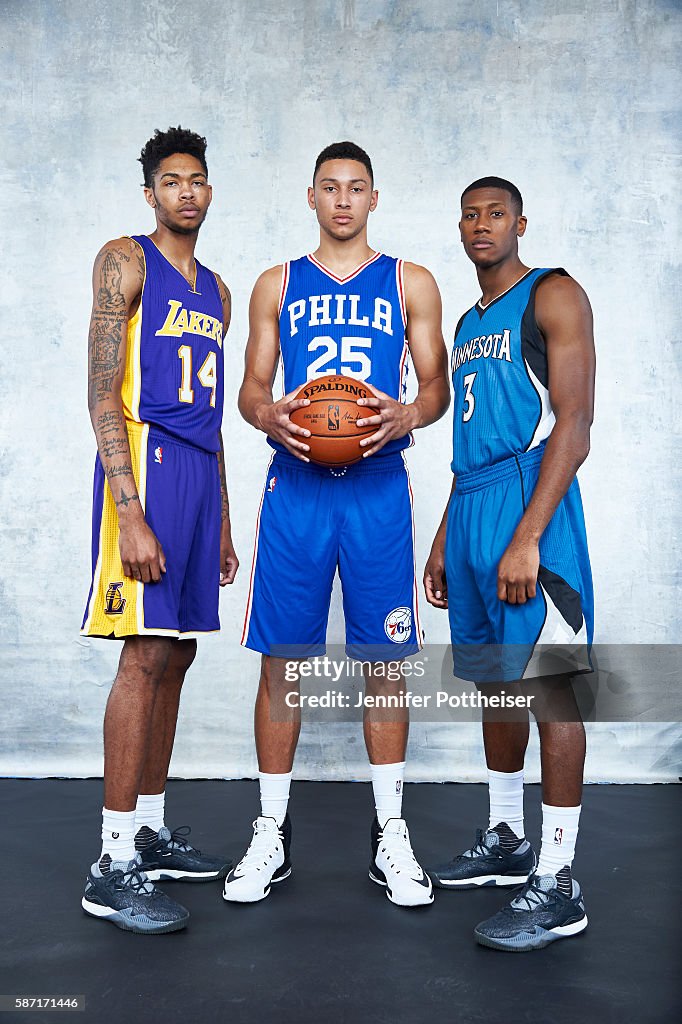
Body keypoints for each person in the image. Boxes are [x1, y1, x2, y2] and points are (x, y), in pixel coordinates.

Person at [224, 141, 450, 908]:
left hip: (379, 484)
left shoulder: (411, 279)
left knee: (384, 660)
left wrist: (410, 411)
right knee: (282, 658)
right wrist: (271, 416)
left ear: (374, 198)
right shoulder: (276, 283)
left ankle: (392, 834)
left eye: (357, 188)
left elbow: (437, 385)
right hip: (297, 483)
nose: (344, 200)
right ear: (311, 197)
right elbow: (252, 390)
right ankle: (270, 831)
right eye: (330, 187)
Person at [424, 177, 595, 951]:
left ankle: (558, 882)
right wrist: (444, 535)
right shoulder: (466, 322)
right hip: (472, 506)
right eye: (470, 214)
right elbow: (467, 441)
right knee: (495, 683)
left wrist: (528, 535)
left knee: (550, 687)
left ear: (520, 223)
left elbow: (575, 424)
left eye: (495, 213)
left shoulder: (552, 295)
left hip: (533, 501)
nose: (481, 224)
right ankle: (505, 841)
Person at [80, 126, 239, 933]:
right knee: (142, 656)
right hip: (142, 464)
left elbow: (213, 419)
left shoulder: (218, 287)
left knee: (177, 652)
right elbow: (103, 392)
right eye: (170, 180)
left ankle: (146, 826)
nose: (186, 191)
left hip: (197, 472)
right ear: (151, 193)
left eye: (197, 180)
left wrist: (222, 521)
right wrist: (128, 507)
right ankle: (111, 862)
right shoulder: (125, 258)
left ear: (210, 192)